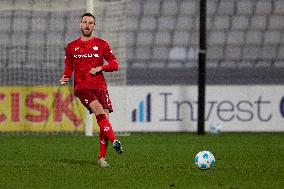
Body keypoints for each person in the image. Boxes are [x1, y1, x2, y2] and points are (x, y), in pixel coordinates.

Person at [60, 12, 123, 167]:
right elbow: (69, 67)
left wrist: (100, 68)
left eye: (90, 23)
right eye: (84, 22)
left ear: (94, 26)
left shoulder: (102, 44)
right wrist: (65, 77)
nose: (87, 25)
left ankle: (102, 158)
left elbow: (115, 64)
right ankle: (115, 140)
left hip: (100, 87)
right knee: (98, 109)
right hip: (83, 87)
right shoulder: (72, 47)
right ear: (80, 24)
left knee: (105, 122)